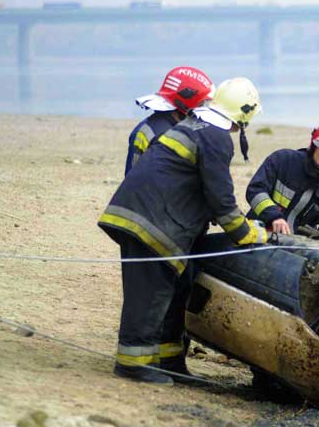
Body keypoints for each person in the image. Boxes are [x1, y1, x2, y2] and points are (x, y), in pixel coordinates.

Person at [98, 77, 269, 385]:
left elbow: (198, 188)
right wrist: (249, 234)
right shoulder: (216, 137)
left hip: (146, 218)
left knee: (170, 292)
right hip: (153, 223)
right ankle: (132, 364)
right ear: (245, 114)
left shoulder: (196, 125)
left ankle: (168, 362)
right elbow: (221, 199)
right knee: (149, 294)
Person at [246, 121, 319, 235]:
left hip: (296, 248)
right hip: (256, 234)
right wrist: (274, 216)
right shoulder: (282, 160)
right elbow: (255, 190)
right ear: (313, 145)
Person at [125, 66, 214, 176]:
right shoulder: (165, 134)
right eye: (201, 104)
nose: (202, 108)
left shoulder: (150, 126)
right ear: (186, 103)